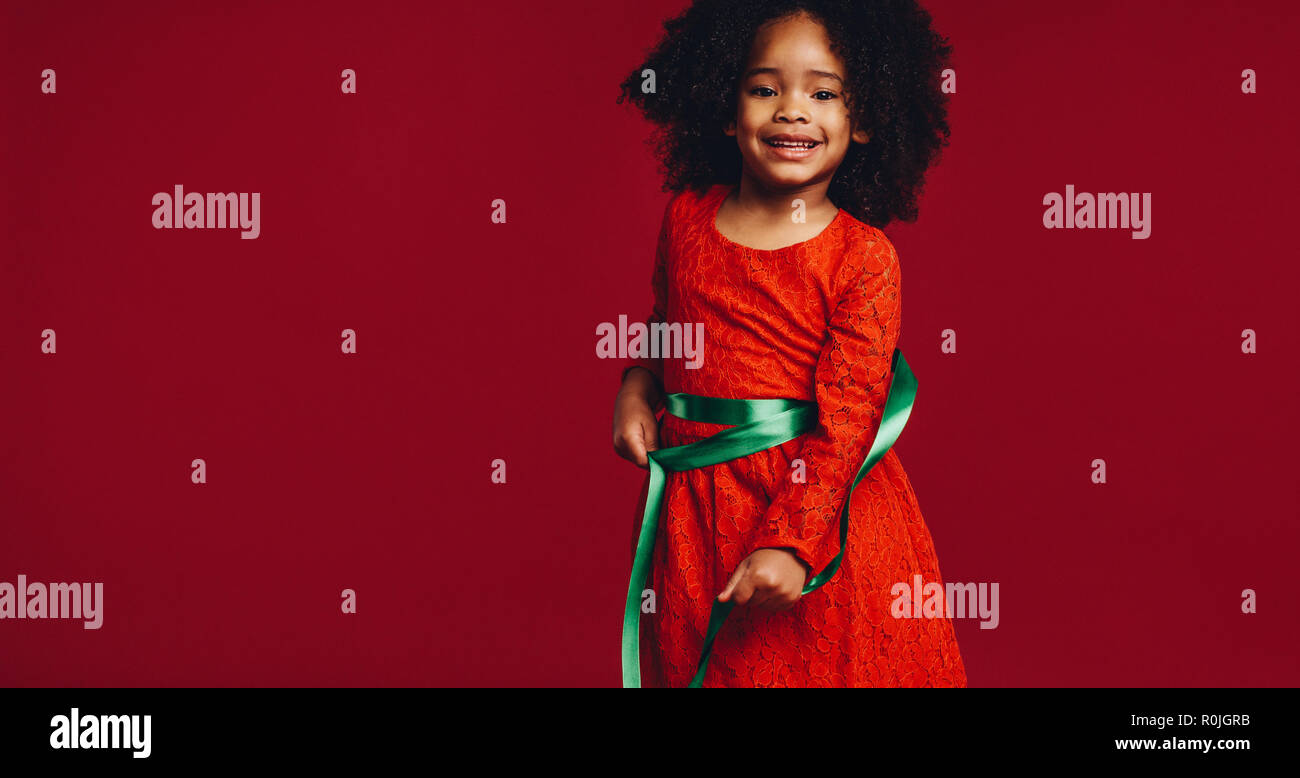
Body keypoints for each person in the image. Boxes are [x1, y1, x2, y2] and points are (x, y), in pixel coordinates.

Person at [612, 0, 967, 687]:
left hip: (812, 516)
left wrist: (794, 546)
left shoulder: (863, 257)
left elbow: (850, 422)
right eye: (765, 88)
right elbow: (669, 331)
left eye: (824, 92)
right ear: (725, 105)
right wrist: (638, 385)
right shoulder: (685, 218)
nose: (792, 111)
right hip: (694, 518)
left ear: (863, 121)